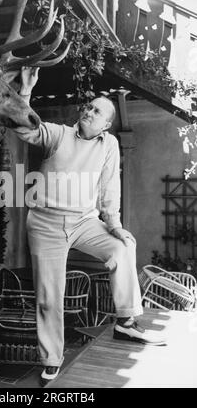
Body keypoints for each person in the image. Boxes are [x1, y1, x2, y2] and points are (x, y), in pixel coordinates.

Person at [13, 66, 165, 385]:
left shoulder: (108, 145)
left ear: (106, 124)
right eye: (88, 107)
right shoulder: (59, 134)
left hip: (85, 222)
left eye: (97, 111)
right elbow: (27, 129)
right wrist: (25, 91)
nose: (89, 111)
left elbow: (110, 187)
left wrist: (114, 224)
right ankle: (52, 359)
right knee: (49, 294)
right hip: (46, 224)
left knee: (123, 246)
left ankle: (125, 320)